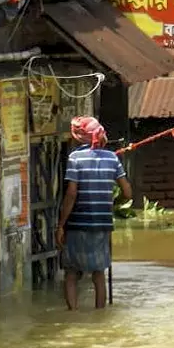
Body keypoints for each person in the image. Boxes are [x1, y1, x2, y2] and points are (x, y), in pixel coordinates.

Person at [57, 116, 130, 311]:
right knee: (99, 274)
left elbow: (71, 194)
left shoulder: (74, 158)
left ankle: (72, 313)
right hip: (102, 223)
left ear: (79, 138)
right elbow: (128, 193)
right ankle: (100, 314)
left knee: (71, 273)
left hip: (77, 223)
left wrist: (61, 225)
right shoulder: (112, 158)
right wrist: (111, 205)